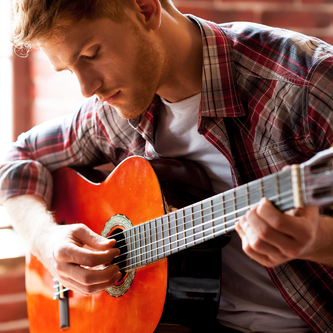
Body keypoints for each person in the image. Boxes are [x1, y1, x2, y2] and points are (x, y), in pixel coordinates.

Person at [1, 0, 333, 332]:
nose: (88, 89)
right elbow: (17, 160)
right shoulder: (112, 113)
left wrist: (317, 240)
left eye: (91, 54)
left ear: (145, 9)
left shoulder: (306, 84)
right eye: (68, 69)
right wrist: (45, 240)